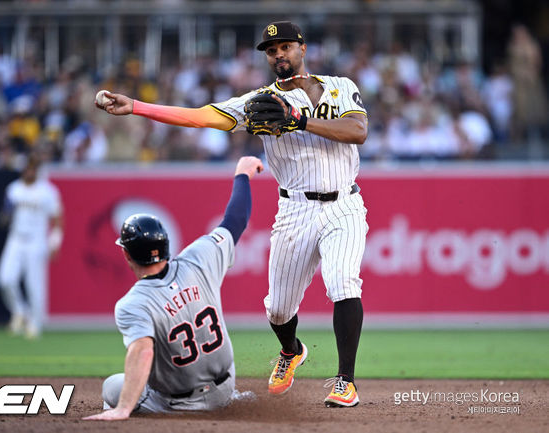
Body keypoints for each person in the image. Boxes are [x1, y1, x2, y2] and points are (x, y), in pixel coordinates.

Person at [95, 21, 368, 408]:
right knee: (277, 309)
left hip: (344, 203)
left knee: (343, 282)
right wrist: (137, 107)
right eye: (271, 50)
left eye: (285, 47)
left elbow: (358, 131)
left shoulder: (341, 85)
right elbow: (199, 117)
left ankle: (345, 381)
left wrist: (299, 121)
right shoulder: (259, 102)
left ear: (302, 49)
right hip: (294, 209)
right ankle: (291, 351)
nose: (278, 55)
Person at [83, 156, 264, 421]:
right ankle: (229, 399)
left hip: (178, 405)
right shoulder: (200, 257)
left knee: (111, 387)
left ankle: (129, 415)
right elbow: (236, 219)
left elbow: (143, 351)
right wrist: (242, 174)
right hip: (225, 389)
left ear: (127, 256)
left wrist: (123, 408)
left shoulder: (133, 304)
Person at [0, 154, 63, 339]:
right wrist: (4, 216)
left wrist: (55, 242)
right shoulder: (13, 189)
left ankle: (35, 324)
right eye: (27, 168)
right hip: (16, 239)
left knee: (34, 286)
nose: (29, 172)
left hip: (36, 240)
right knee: (5, 279)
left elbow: (57, 217)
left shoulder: (47, 191)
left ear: (37, 170)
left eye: (33, 168)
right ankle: (20, 311)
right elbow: (5, 214)